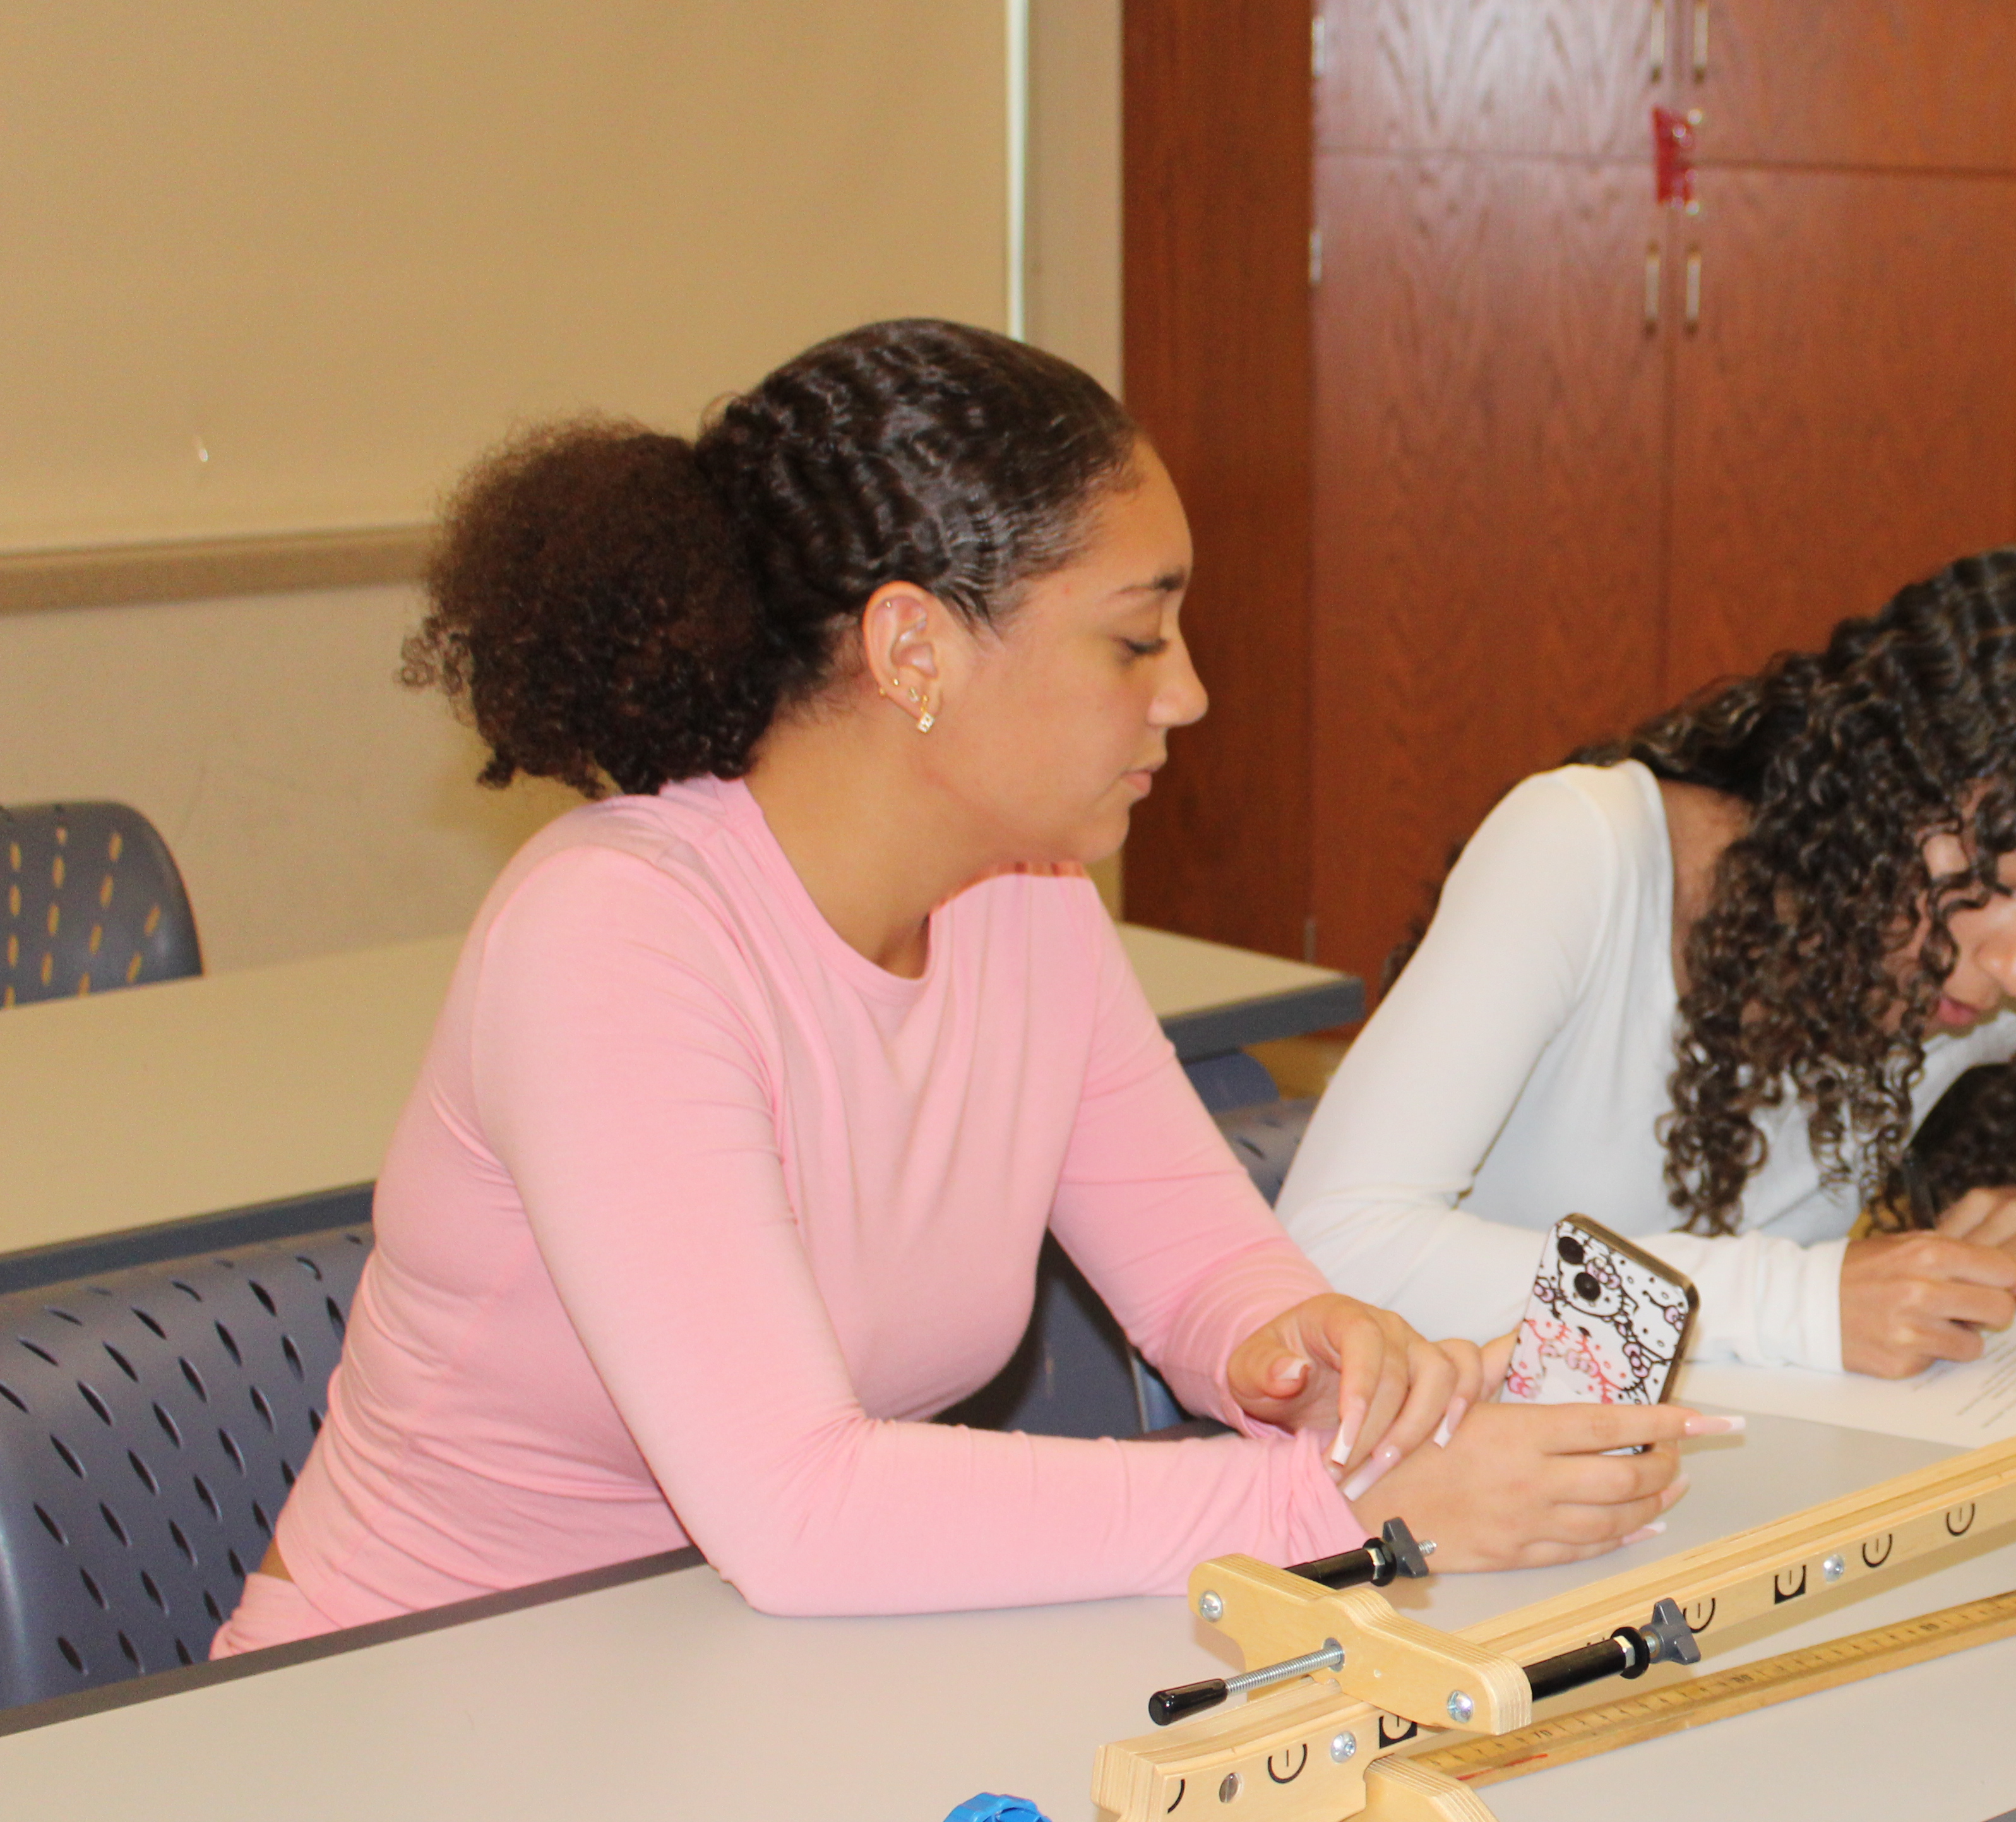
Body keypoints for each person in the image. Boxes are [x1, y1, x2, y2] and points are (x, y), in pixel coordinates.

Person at [222, 321, 1712, 1658]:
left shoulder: (1026, 896)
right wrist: (1336, 1499)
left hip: (731, 1685)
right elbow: (803, 1509)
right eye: (1135, 637)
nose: (1186, 691)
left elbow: (1205, 1277)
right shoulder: (614, 936)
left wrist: (1310, 1359)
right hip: (400, 1718)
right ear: (913, 646)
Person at [1280, 548, 2016, 1377]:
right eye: (2001, 878)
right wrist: (1803, 1303)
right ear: (1884, 783)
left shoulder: (1969, 972)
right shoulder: (1584, 847)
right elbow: (1340, 1246)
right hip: (1453, 1462)